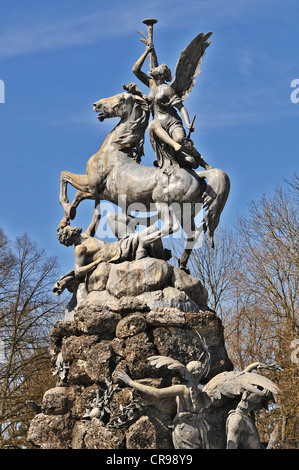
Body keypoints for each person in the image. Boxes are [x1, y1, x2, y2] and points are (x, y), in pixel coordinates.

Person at [132, 43, 211, 172]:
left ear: (162, 74)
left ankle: (201, 161)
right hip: (159, 125)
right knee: (153, 124)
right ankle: (168, 156)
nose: (154, 68)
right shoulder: (151, 84)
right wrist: (147, 51)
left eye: (158, 68)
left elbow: (181, 107)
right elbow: (135, 70)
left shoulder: (167, 90)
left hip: (172, 122)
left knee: (180, 139)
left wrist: (187, 122)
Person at [117, 360, 212, 449]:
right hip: (200, 430)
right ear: (200, 374)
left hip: (185, 430)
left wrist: (130, 382)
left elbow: (157, 393)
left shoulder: (182, 389)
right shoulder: (204, 390)